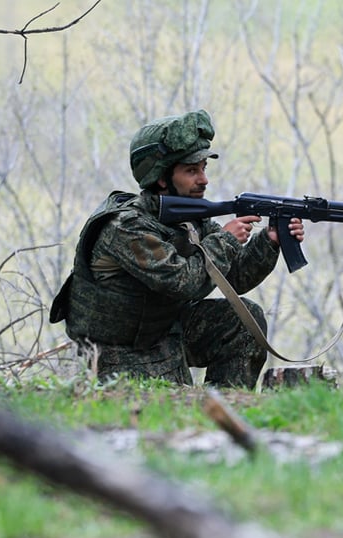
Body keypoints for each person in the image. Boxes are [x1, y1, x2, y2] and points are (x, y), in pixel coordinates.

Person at [50, 109, 304, 388]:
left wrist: (268, 241)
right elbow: (186, 283)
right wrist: (227, 239)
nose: (203, 180)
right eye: (191, 171)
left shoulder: (189, 218)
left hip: (164, 331)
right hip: (120, 353)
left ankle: (227, 408)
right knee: (171, 409)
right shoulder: (126, 227)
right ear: (161, 178)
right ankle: (210, 416)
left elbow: (236, 279)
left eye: (203, 169)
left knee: (245, 318)